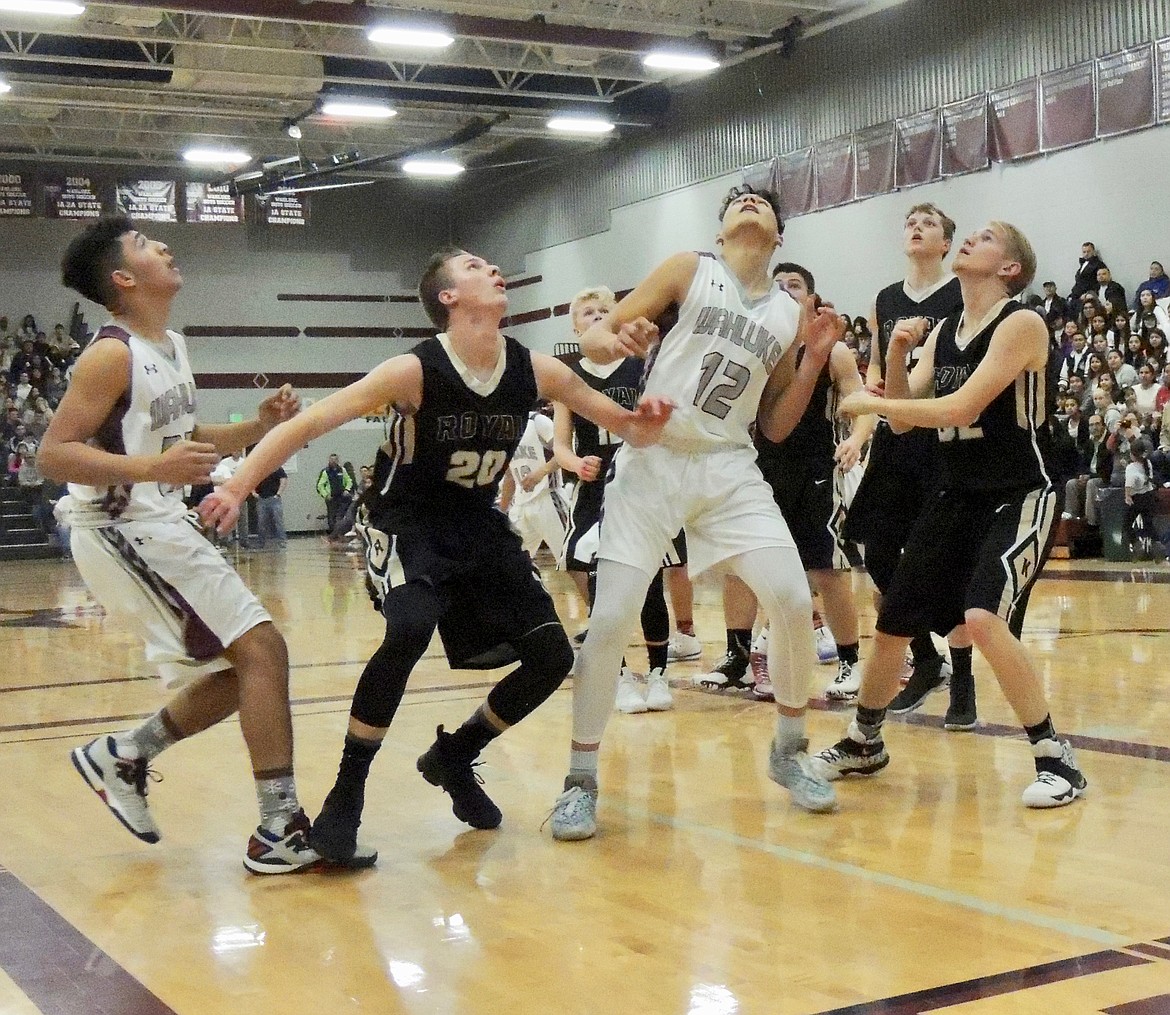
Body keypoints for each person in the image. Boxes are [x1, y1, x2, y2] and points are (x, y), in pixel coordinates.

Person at [198, 247, 674, 864]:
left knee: (552, 654)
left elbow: (629, 426)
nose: (492, 269)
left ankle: (454, 754)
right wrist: (237, 485)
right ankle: (346, 795)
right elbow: (310, 424)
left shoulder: (534, 369)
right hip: (407, 521)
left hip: (477, 523)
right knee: (411, 628)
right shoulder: (413, 370)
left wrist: (652, 417)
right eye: (475, 267)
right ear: (447, 297)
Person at [40, 215, 345, 874]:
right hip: (121, 530)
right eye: (147, 245)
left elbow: (182, 434)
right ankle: (277, 827)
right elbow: (53, 453)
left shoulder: (169, 342)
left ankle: (126, 753)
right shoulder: (110, 353)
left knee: (243, 671)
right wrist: (152, 471)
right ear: (123, 277)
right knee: (263, 648)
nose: (165, 247)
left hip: (160, 523)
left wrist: (256, 425)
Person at [546, 184, 845, 842]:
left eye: (760, 203)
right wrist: (621, 337)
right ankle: (580, 779)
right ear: (718, 232)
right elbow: (597, 343)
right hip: (653, 459)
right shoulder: (689, 269)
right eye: (736, 200)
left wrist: (814, 361)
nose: (747, 203)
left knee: (793, 600)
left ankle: (790, 749)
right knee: (608, 623)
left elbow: (775, 423)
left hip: (729, 467)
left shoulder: (791, 315)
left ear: (778, 234)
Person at [812, 220, 1086, 809]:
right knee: (894, 622)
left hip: (1020, 493)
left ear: (1009, 267)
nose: (970, 239)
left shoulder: (1022, 322)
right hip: (957, 494)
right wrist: (895, 350)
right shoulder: (944, 331)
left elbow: (963, 404)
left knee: (984, 618)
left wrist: (871, 400)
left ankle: (1055, 756)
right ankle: (864, 740)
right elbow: (907, 419)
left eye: (986, 238)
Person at [840, 204, 974, 727]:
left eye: (929, 224)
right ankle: (926, 657)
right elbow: (876, 367)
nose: (915, 227)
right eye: (909, 221)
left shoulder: (960, 293)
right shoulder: (886, 298)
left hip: (941, 435)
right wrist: (862, 429)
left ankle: (961, 681)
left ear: (946, 243)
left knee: (945, 562)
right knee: (873, 549)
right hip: (896, 432)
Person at [552, 285, 678, 714]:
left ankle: (659, 674)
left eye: (605, 310)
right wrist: (574, 464)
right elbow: (561, 447)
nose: (597, 315)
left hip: (642, 482)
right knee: (601, 583)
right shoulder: (568, 377)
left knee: (650, 584)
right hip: (596, 489)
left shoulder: (641, 365)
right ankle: (621, 674)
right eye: (588, 311)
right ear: (575, 325)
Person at [498, 403, 568, 562]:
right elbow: (510, 475)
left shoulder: (538, 422)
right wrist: (501, 512)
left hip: (549, 498)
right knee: (509, 563)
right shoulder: (504, 430)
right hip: (521, 505)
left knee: (569, 561)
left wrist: (540, 473)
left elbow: (565, 453)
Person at [253, 463, 288, 550]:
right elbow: (251, 481)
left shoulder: (277, 468)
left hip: (274, 499)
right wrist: (253, 493)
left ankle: (282, 541)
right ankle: (261, 542)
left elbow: (283, 480)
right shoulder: (257, 469)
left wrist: (278, 494)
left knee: (278, 521)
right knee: (261, 522)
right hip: (261, 499)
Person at [316, 452, 352, 535]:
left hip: (341, 497)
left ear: (338, 460)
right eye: (332, 459)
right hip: (331, 498)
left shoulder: (342, 470)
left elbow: (349, 481)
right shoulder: (326, 472)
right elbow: (320, 485)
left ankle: (339, 533)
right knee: (331, 516)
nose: (333, 461)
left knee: (340, 516)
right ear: (329, 460)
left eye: (335, 459)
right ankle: (333, 533)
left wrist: (347, 489)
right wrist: (326, 495)